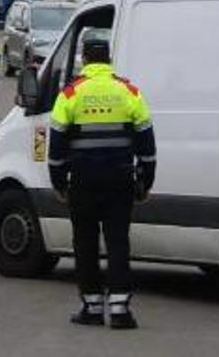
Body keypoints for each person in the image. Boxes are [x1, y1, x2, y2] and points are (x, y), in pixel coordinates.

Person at [48, 39, 156, 330]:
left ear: (85, 59)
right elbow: (146, 140)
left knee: (85, 242)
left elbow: (56, 143)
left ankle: (92, 306)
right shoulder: (128, 91)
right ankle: (120, 308)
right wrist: (146, 179)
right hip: (120, 180)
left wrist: (58, 181)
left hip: (83, 181)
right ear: (108, 59)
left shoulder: (70, 93)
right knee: (118, 240)